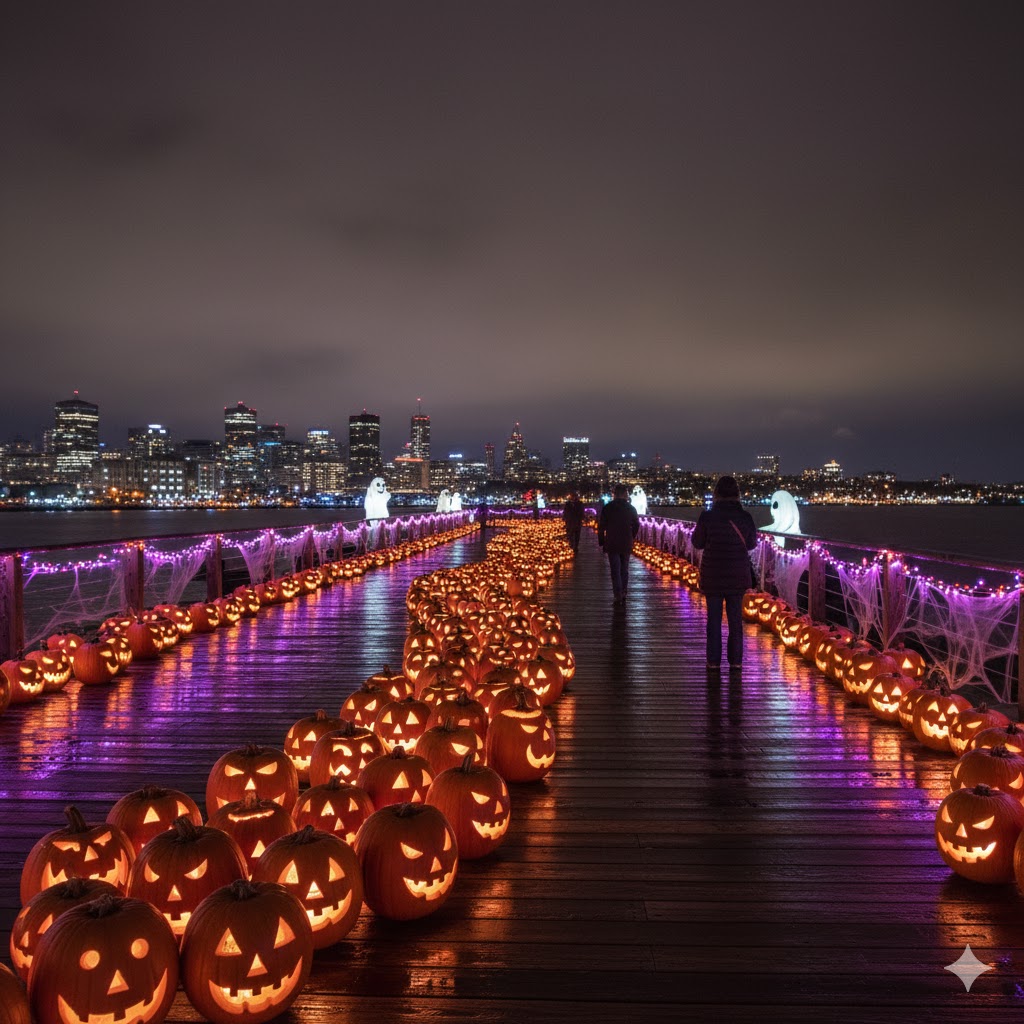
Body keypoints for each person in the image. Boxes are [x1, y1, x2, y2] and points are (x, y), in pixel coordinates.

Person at [691, 475, 758, 672]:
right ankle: (736, 662)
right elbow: (752, 544)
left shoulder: (707, 516)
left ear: (716, 494)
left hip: (713, 575)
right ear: (737, 494)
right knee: (735, 621)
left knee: (713, 621)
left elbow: (697, 542)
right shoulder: (745, 518)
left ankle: (713, 662)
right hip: (737, 575)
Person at [597, 483, 640, 606]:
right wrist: (632, 536)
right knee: (624, 569)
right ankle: (624, 592)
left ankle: (617, 594)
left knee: (615, 569)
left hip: (612, 542)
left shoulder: (608, 508)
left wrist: (601, 541)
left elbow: (601, 526)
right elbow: (636, 525)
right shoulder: (631, 508)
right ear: (625, 494)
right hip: (626, 542)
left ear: (615, 494)